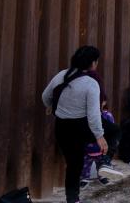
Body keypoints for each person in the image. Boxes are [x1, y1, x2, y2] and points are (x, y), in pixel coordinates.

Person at [42, 46, 106, 203]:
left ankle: (72, 199)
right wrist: (100, 136)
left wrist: (51, 106)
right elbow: (93, 115)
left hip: (62, 127)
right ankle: (104, 162)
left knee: (73, 164)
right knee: (114, 131)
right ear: (93, 63)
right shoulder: (91, 83)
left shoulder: (62, 75)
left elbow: (45, 96)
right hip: (81, 127)